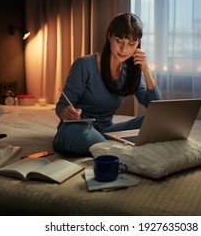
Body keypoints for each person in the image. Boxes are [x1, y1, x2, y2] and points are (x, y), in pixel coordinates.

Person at [53, 12, 162, 156]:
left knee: (155, 121)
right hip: (79, 128)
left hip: (107, 131)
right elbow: (61, 105)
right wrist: (65, 113)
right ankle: (114, 148)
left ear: (138, 44)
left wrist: (146, 70)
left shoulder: (130, 71)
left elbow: (156, 107)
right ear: (109, 36)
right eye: (119, 41)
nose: (124, 50)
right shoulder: (85, 65)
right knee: (75, 133)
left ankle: (105, 147)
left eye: (131, 44)